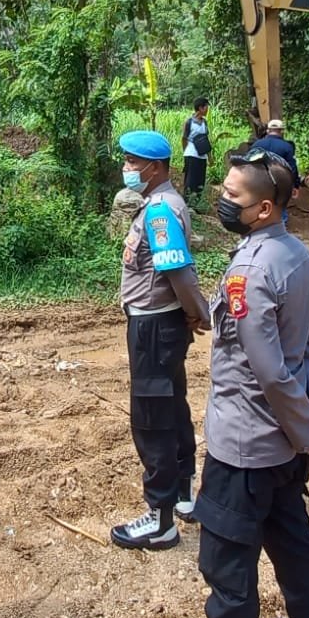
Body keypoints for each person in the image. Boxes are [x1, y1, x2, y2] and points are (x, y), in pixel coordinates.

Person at [186, 148, 309, 618]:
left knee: (228, 567)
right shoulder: (297, 255)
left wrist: (308, 427)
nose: (223, 201)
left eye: (233, 196)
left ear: (265, 207)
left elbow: (272, 372)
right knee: (295, 542)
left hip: (244, 447)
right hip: (283, 449)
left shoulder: (249, 273)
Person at [111, 130, 210, 551]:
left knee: (152, 418)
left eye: (133, 162)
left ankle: (160, 519)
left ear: (155, 168)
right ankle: (185, 496)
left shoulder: (159, 213)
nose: (127, 168)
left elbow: (179, 274)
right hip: (160, 323)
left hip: (154, 327)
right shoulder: (159, 205)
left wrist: (198, 311)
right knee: (173, 406)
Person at [180, 98, 211, 205]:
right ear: (200, 108)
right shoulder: (189, 122)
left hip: (202, 156)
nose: (207, 110)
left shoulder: (204, 123)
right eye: (206, 107)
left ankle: (197, 204)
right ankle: (187, 203)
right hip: (191, 155)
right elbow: (184, 138)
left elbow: (206, 141)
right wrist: (185, 152)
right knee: (190, 181)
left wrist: (210, 157)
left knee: (200, 181)